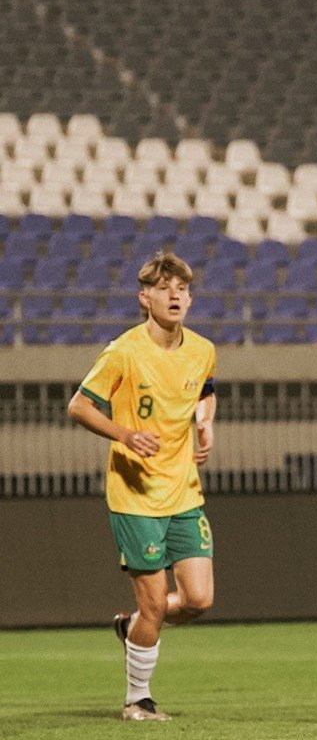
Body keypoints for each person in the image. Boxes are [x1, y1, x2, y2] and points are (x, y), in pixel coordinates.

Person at [66, 252, 218, 722]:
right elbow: (79, 406)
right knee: (153, 603)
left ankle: (132, 628)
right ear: (145, 297)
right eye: (164, 287)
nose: (175, 294)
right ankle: (138, 700)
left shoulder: (203, 349)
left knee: (198, 600)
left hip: (184, 492)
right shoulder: (124, 352)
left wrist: (205, 423)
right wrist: (126, 435)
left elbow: (205, 391)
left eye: (182, 288)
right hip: (135, 497)